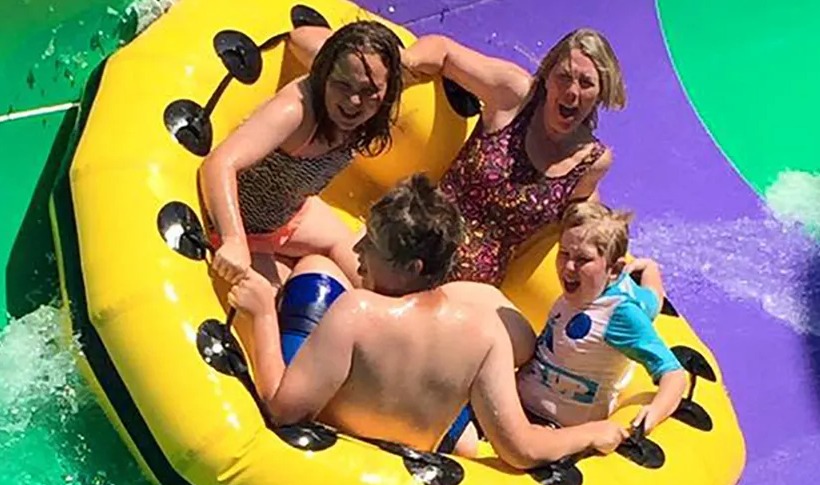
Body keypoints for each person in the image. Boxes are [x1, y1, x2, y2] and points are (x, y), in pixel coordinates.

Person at [227, 174, 628, 469]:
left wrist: (263, 313)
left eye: (372, 244)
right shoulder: (485, 333)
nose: (357, 247)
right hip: (416, 471)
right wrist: (594, 432)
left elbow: (282, 412)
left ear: (411, 266)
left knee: (315, 268)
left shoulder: (356, 314)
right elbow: (522, 449)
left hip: (332, 466)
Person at [400, 28, 628, 286]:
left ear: (601, 93)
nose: (572, 92)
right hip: (414, 241)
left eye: (586, 83)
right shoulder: (514, 94)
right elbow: (443, 49)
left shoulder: (591, 161)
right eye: (564, 77)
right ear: (547, 77)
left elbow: (582, 210)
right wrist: (403, 66)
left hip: (466, 291)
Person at [199, 20, 404, 289]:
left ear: (387, 89)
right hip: (243, 225)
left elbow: (301, 36)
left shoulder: (372, 96)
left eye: (369, 91)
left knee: (375, 282)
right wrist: (234, 240)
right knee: (277, 304)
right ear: (324, 74)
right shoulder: (294, 111)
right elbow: (219, 163)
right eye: (343, 85)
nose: (354, 102)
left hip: (291, 215)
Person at [517, 201, 687, 434]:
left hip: (555, 426)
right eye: (563, 253)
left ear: (614, 270)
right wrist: (649, 269)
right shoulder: (582, 289)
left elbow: (673, 372)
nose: (568, 266)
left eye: (582, 260)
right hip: (518, 401)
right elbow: (653, 299)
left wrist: (654, 413)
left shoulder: (620, 315)